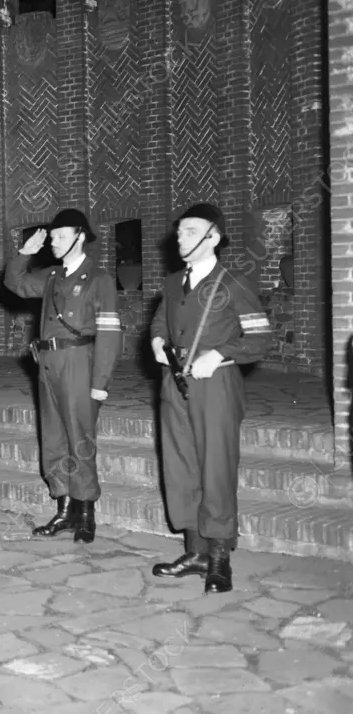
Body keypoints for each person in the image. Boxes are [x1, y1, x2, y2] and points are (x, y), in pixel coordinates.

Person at [150, 203, 271, 594]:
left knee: (215, 468)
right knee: (180, 466)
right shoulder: (171, 283)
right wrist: (155, 340)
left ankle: (219, 558)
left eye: (189, 231)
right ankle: (194, 552)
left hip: (215, 385)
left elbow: (259, 338)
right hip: (174, 383)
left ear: (213, 237)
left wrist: (220, 354)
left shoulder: (233, 282)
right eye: (179, 231)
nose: (179, 237)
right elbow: (159, 321)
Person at [4, 208, 122, 543]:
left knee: (79, 440)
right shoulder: (52, 276)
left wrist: (100, 383)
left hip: (78, 361)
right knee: (53, 438)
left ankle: (86, 514)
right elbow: (17, 284)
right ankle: (64, 510)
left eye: (60, 236)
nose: (53, 242)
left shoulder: (98, 280)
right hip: (48, 363)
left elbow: (111, 334)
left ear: (80, 236)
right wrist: (23, 254)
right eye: (52, 237)